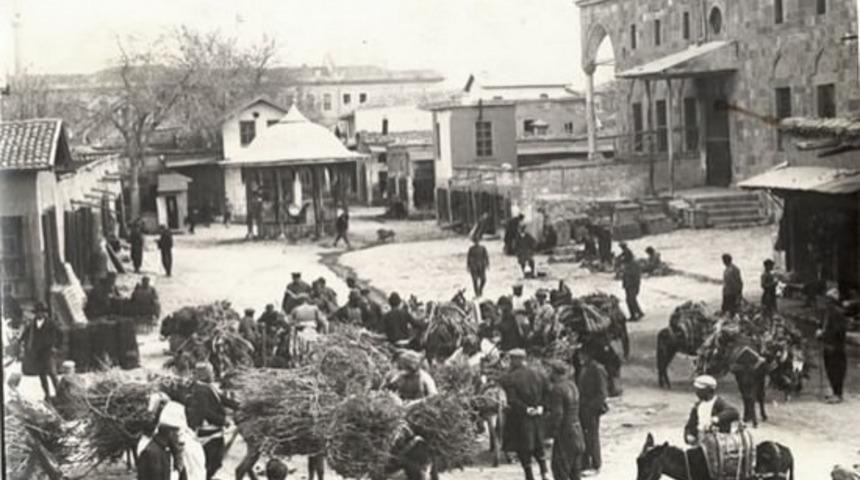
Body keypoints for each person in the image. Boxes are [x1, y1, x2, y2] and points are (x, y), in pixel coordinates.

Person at [499, 349, 550, 480]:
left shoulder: (511, 377)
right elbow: (548, 393)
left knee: (523, 448)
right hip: (538, 415)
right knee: (539, 444)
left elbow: (512, 400)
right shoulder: (539, 373)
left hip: (520, 418)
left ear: (516, 360)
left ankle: (529, 476)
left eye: (511, 360)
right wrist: (541, 406)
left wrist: (526, 409)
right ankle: (544, 473)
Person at [186, 363, 239, 480]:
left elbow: (221, 399)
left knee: (215, 461)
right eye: (211, 372)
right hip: (209, 431)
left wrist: (238, 405)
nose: (214, 374)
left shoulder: (207, 386)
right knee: (213, 461)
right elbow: (206, 412)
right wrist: (222, 420)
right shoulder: (201, 390)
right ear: (204, 375)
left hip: (214, 430)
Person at [546, 361, 585, 480]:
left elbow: (558, 415)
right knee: (575, 473)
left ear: (554, 372)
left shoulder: (557, 389)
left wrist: (551, 433)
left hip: (565, 434)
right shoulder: (572, 385)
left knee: (560, 471)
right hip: (578, 431)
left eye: (550, 371)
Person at [578, 345, 608, 476]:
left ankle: (596, 464)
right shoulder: (584, 368)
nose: (580, 357)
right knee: (585, 436)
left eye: (582, 354)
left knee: (592, 436)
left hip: (592, 409)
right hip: (584, 408)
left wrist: (591, 408)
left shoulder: (597, 369)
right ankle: (585, 463)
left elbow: (602, 394)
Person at [683, 375, 740, 445]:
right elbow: (690, 424)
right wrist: (689, 434)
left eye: (700, 390)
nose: (697, 393)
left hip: (717, 440)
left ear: (709, 390)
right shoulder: (697, 406)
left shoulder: (718, 402)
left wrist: (716, 419)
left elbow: (733, 412)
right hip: (700, 438)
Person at [21, 303, 59, 400]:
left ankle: (59, 393)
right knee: (42, 375)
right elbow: (25, 334)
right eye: (37, 313)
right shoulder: (32, 324)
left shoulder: (50, 323)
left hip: (48, 352)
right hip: (37, 353)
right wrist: (20, 341)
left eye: (41, 312)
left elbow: (57, 335)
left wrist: (53, 345)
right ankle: (47, 394)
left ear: (44, 313)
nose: (39, 314)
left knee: (52, 373)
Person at [816, 291, 848, 404]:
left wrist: (823, 334)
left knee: (836, 370)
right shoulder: (828, 312)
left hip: (835, 346)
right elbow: (825, 326)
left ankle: (838, 394)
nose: (826, 302)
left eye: (828, 300)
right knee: (830, 369)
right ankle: (835, 392)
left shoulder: (837, 313)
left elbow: (836, 331)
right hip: (829, 345)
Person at [137, 409, 181, 480]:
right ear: (170, 433)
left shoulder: (167, 451)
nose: (178, 438)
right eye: (176, 434)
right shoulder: (149, 453)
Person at [621, 252, 644, 321]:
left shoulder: (634, 264)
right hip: (629, 285)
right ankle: (636, 313)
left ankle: (635, 314)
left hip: (633, 285)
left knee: (631, 299)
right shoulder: (629, 264)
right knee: (630, 300)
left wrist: (625, 271)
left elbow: (634, 274)